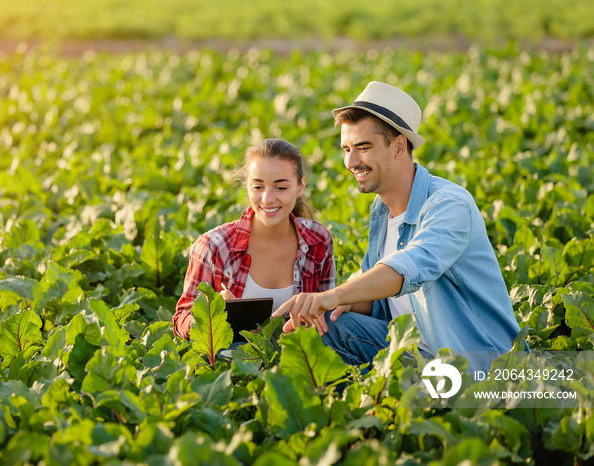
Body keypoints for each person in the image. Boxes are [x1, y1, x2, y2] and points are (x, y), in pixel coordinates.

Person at [273, 81, 522, 372]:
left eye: (363, 147)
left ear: (399, 146)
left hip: (471, 365)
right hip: (412, 353)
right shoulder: (382, 212)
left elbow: (410, 266)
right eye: (346, 149)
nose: (351, 161)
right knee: (323, 325)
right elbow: (379, 302)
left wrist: (334, 295)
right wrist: (343, 301)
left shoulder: (449, 205)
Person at [173, 138, 336, 340]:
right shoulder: (212, 246)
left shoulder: (318, 240)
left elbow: (329, 312)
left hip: (300, 362)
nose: (267, 198)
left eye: (281, 187)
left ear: (300, 186)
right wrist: (211, 315)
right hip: (232, 364)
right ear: (247, 186)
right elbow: (182, 319)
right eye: (258, 187)